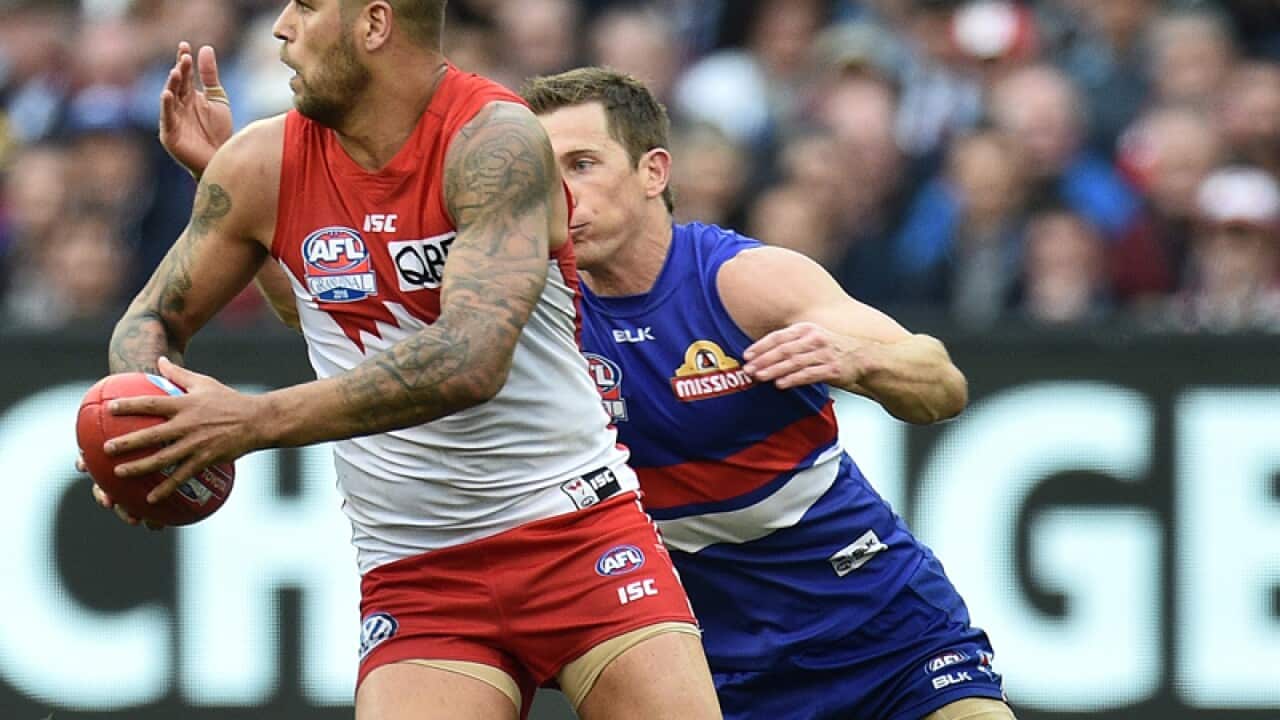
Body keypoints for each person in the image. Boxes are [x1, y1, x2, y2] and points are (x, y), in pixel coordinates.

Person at [158, 49, 1014, 720]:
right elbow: (325, 324)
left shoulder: (738, 283)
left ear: (653, 170)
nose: (558, 190)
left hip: (879, 634)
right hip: (716, 671)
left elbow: (938, 380)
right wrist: (236, 191)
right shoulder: (511, 305)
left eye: (583, 163)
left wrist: (858, 359)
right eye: (542, 165)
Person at [83, 4, 722, 720]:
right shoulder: (261, 162)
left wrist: (249, 421)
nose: (281, 27)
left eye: (307, 5)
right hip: (419, 573)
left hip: (575, 530)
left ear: (375, 23)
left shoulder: (494, 140)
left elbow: (468, 361)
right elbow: (153, 320)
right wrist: (141, 430)